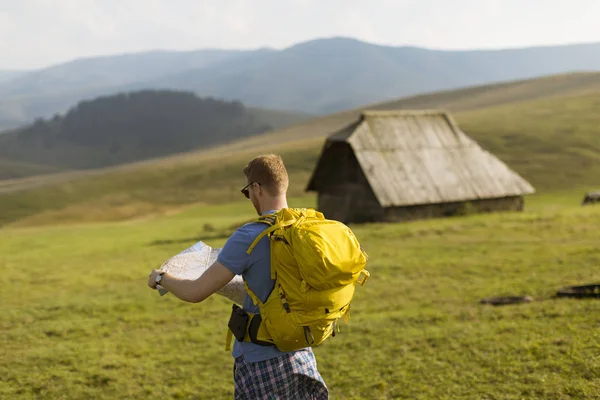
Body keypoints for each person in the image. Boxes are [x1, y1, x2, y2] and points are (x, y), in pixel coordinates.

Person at [148, 154, 329, 399]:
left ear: (256, 188)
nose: (250, 198)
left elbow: (195, 292)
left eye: (247, 192)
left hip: (262, 363)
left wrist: (161, 278)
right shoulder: (309, 230)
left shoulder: (250, 236)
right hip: (302, 355)